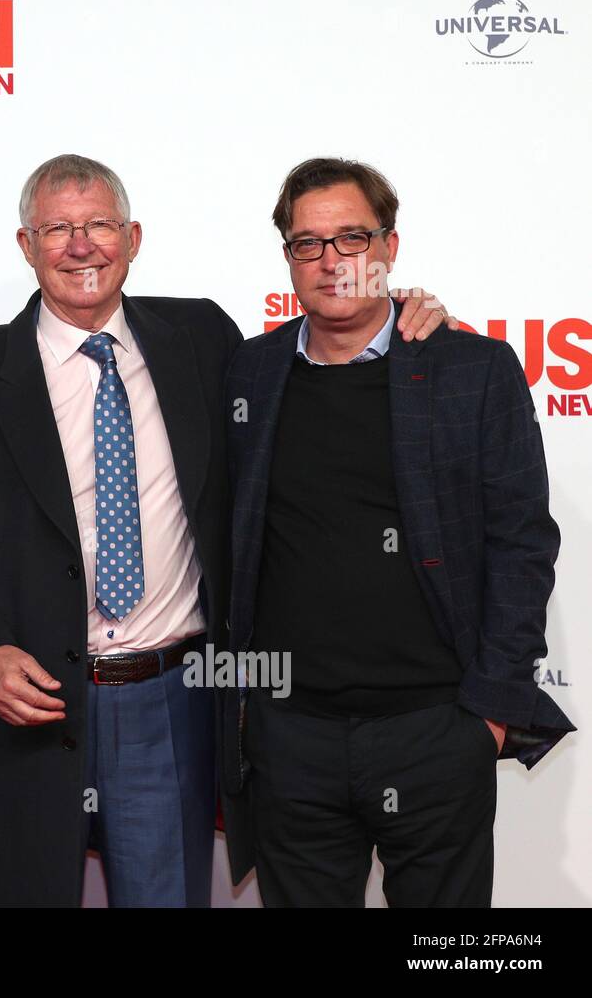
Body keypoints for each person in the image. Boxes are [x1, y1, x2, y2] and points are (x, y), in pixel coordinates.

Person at [0, 154, 452, 907]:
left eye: (100, 224)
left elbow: (329, 351)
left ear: (133, 237)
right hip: (25, 709)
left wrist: (408, 314)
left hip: (172, 701)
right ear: (25, 245)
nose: (81, 246)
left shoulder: (202, 340)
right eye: (58, 229)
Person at [222, 157, 575, 907]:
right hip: (291, 740)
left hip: (436, 732)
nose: (331, 261)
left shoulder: (470, 370)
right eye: (306, 243)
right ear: (286, 256)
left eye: (352, 238)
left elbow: (522, 544)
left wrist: (491, 713)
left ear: (390, 247)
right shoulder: (246, 374)